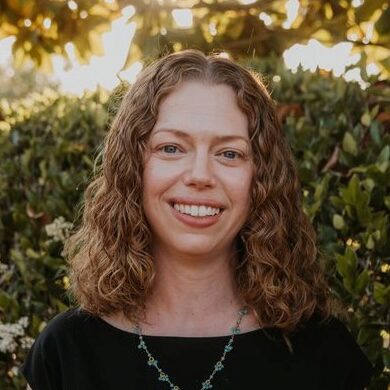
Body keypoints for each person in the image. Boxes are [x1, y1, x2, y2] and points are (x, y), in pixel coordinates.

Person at [21, 49, 374, 390]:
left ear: (261, 178)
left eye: (229, 153)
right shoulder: (65, 353)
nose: (200, 174)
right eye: (171, 148)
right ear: (132, 170)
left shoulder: (324, 353)